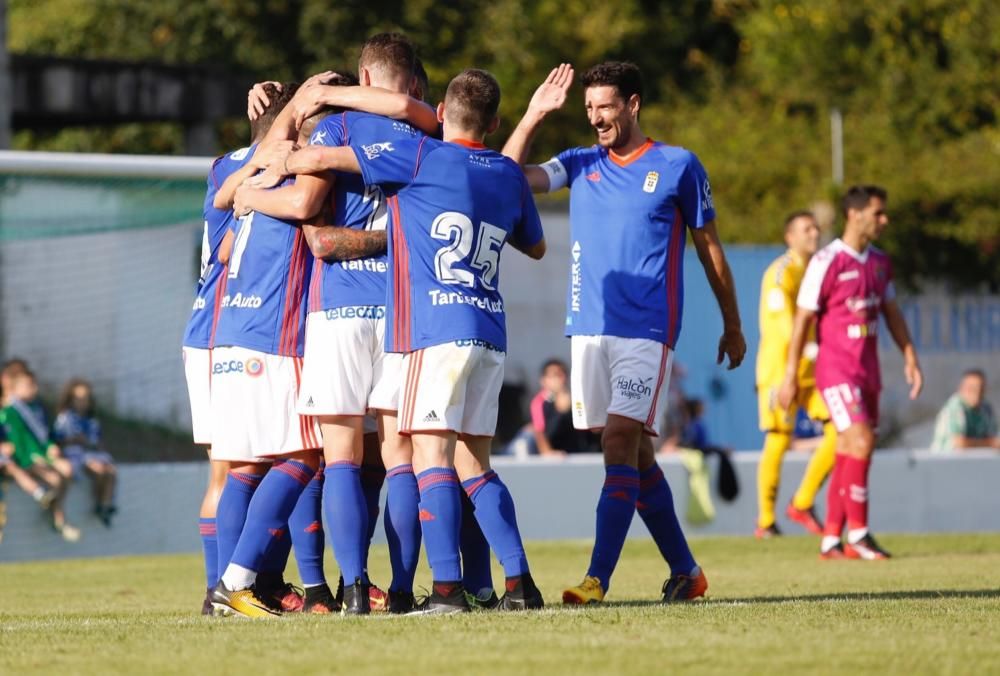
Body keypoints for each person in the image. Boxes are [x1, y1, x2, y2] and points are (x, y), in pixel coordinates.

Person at [282, 68, 548, 614]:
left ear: (443, 116)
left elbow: (321, 162)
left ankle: (446, 589)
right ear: (495, 122)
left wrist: (287, 152)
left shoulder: (424, 157)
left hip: (437, 331)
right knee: (475, 465)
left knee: (429, 456)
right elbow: (536, 247)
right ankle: (520, 584)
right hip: (490, 332)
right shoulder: (506, 173)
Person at [503, 61, 745, 604]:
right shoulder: (580, 162)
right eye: (589, 109)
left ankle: (596, 580)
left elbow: (709, 248)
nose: (596, 119)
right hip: (588, 329)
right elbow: (506, 175)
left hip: (646, 330)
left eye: (605, 106)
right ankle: (686, 572)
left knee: (617, 443)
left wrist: (732, 322)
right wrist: (535, 114)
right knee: (634, 456)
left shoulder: (678, 165)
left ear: (632, 105)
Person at [234, 34, 429, 615]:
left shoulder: (336, 129)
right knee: (400, 458)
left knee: (339, 456)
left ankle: (349, 590)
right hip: (401, 312)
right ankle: (399, 591)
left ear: (362, 76)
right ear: (413, 85)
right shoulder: (427, 134)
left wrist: (280, 139)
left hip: (338, 309)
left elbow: (311, 224)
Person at [779, 185, 923, 561]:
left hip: (867, 371)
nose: (884, 220)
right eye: (878, 213)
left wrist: (909, 353)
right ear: (855, 215)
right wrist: (791, 372)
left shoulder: (879, 262)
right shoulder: (827, 261)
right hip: (836, 370)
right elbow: (802, 319)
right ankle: (858, 534)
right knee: (859, 440)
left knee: (849, 449)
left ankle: (831, 538)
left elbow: (891, 311)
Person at [754, 211, 837, 538]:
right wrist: (810, 349)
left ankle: (802, 501)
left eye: (816, 228)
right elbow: (784, 325)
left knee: (840, 429)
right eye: (806, 229)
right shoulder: (781, 272)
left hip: (812, 371)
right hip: (780, 370)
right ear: (790, 237)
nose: (814, 233)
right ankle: (765, 521)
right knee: (778, 438)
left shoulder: (815, 270)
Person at [0, 369, 79, 541]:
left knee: (67, 469)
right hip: (26, 459)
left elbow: (45, 435)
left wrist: (50, 446)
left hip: (40, 454)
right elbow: (17, 442)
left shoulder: (38, 408)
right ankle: (58, 517)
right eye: (29, 385)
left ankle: (55, 511)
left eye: (34, 385)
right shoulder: (9, 412)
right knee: (56, 479)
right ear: (14, 389)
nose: (34, 389)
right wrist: (31, 457)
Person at [53, 379, 118, 527]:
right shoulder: (65, 418)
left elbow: (98, 440)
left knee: (111, 471)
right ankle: (98, 501)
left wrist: (98, 447)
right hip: (76, 455)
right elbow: (57, 441)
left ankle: (105, 504)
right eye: (78, 398)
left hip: (92, 453)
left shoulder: (92, 420)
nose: (82, 402)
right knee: (100, 470)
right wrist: (74, 440)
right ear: (71, 399)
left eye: (86, 398)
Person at [529, 359, 599, 455]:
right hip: (554, 450)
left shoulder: (576, 397)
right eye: (555, 375)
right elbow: (539, 431)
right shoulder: (539, 402)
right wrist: (547, 452)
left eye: (562, 375)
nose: (559, 379)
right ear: (543, 380)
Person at [931, 370, 999, 452]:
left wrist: (990, 443)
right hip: (945, 461)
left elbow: (995, 441)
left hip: (975, 461)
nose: (976, 392)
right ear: (961, 389)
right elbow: (959, 444)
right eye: (971, 388)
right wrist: (988, 444)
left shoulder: (986, 409)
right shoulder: (955, 407)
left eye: (980, 388)